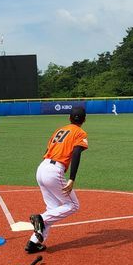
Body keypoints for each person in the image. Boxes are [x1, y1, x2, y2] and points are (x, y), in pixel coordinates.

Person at [26, 106, 89, 253]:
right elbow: (76, 153)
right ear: (85, 119)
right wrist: (72, 178)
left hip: (42, 167)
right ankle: (40, 217)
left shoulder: (59, 130)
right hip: (54, 170)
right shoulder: (80, 132)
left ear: (69, 118)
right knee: (73, 205)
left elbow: (47, 151)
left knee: (53, 210)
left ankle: (34, 242)